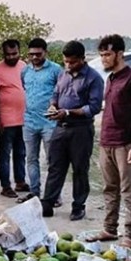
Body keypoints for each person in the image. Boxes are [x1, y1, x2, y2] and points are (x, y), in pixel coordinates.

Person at [88, 35, 131, 248]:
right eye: (101, 55)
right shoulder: (111, 78)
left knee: (129, 190)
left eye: (107, 54)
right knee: (109, 188)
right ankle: (109, 228)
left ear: (120, 54)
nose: (104, 59)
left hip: (125, 143)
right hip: (106, 141)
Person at [41, 41, 104, 221]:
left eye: (73, 62)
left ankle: (78, 206)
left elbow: (94, 107)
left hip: (81, 130)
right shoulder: (63, 74)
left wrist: (68, 112)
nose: (68, 65)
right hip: (60, 128)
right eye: (66, 61)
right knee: (55, 166)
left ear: (82, 59)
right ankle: (48, 203)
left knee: (80, 169)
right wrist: (53, 106)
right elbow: (55, 94)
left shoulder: (94, 78)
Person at [19, 38, 63, 205]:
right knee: (31, 159)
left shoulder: (56, 70)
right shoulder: (25, 71)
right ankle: (34, 193)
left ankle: (54, 196)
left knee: (53, 160)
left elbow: (62, 92)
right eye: (31, 54)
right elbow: (25, 89)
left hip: (49, 122)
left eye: (38, 54)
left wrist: (56, 108)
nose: (35, 57)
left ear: (46, 52)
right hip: (29, 121)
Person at [0, 39, 29, 198]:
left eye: (14, 54)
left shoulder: (24, 67)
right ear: (3, 53)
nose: (12, 57)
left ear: (19, 52)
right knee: (5, 154)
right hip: (6, 121)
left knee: (21, 152)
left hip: (23, 119)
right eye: (8, 54)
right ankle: (6, 186)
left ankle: (20, 181)